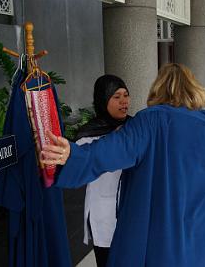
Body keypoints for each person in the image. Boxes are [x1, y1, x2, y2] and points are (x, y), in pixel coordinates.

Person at [41, 63, 205, 267]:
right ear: (193, 88)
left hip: (164, 228)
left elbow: (111, 150)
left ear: (158, 89)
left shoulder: (149, 121)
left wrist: (75, 155)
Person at [75, 75, 130, 267]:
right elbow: (85, 167)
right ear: (102, 99)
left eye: (126, 95)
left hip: (132, 209)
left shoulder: (135, 127)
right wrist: (113, 140)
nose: (124, 101)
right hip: (103, 212)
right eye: (116, 96)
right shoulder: (87, 135)